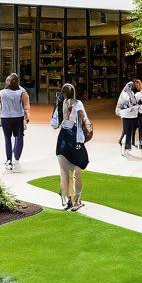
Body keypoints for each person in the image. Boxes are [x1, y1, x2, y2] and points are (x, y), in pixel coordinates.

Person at [52, 82, 90, 211]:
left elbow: (54, 124)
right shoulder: (78, 104)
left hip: (63, 138)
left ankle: (67, 199)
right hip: (75, 139)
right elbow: (85, 120)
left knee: (63, 171)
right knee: (76, 171)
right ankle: (77, 200)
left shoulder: (59, 104)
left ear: (62, 93)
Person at [0, 73, 31, 172]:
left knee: (7, 139)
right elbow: (26, 105)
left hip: (6, 118)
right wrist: (27, 116)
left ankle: (9, 160)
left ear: (7, 82)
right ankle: (16, 160)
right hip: (18, 117)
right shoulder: (22, 92)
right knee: (19, 137)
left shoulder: (1, 93)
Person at [116, 80, 140, 154]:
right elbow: (124, 103)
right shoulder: (124, 94)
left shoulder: (132, 93)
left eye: (131, 86)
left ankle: (127, 145)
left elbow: (134, 102)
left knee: (128, 130)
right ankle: (123, 143)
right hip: (125, 114)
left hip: (131, 115)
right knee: (126, 130)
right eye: (129, 86)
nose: (131, 87)